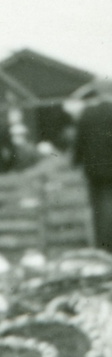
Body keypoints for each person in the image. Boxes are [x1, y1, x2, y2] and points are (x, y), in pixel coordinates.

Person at [73, 78, 112, 253]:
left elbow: (79, 142)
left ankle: (101, 245)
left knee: (98, 207)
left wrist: (75, 162)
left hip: (93, 169)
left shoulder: (86, 112)